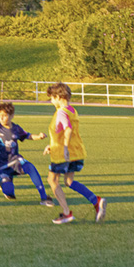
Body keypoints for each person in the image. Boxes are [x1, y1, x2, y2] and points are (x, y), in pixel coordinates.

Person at [43, 82, 106, 224]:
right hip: (76, 152)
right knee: (69, 181)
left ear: (58, 97)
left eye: (52, 98)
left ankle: (66, 213)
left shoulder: (61, 112)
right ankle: (96, 201)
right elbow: (62, 133)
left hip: (63, 155)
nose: (51, 101)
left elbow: (68, 129)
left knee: (52, 180)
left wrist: (64, 148)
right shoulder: (72, 110)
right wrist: (51, 145)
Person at [0, 102, 53, 205]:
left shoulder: (16, 128)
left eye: (4, 115)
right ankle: (4, 183)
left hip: (14, 161)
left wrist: (39, 136)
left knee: (30, 167)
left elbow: (28, 136)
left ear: (12, 116)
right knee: (10, 193)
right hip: (0, 165)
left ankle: (44, 197)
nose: (1, 118)